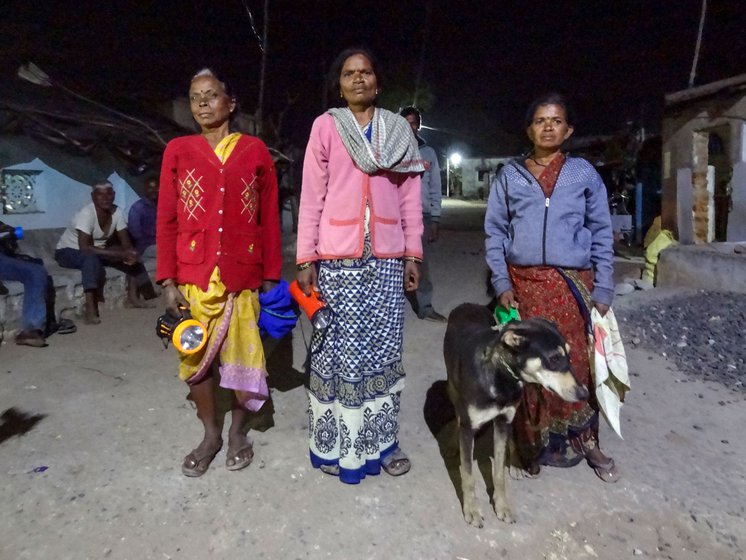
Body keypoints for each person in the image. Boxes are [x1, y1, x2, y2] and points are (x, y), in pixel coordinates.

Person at [296, 48, 425, 484]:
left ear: (378, 82)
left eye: (366, 72)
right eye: (349, 74)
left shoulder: (396, 131)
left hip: (387, 257)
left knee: (384, 349)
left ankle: (382, 443)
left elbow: (410, 196)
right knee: (340, 349)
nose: (357, 79)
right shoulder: (327, 126)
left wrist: (413, 252)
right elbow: (312, 194)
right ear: (340, 84)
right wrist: (306, 256)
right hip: (337, 256)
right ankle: (335, 444)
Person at [484, 93, 620, 483]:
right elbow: (494, 231)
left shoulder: (583, 174)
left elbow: (600, 231)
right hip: (523, 285)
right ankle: (532, 445)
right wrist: (501, 282)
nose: (548, 126)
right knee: (526, 367)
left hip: (570, 286)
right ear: (529, 129)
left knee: (574, 363)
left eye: (556, 120)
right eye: (540, 120)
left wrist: (605, 288)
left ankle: (586, 441)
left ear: (569, 129)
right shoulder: (510, 175)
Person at [156, 68, 282, 477]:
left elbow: (268, 218)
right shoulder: (178, 149)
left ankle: (238, 433)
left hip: (242, 272)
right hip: (194, 275)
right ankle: (211, 433)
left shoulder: (255, 151)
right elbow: (167, 218)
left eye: (211, 96)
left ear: (231, 103)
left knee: (245, 357)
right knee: (195, 358)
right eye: (195, 98)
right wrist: (168, 279)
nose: (203, 104)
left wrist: (271, 274)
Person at [54, 180, 156, 324]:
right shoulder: (86, 214)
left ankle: (133, 298)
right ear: (93, 196)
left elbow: (125, 242)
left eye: (108, 194)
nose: (105, 198)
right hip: (68, 251)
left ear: (114, 195)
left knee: (132, 253)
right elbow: (84, 247)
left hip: (96, 251)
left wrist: (129, 253)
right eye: (100, 195)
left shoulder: (117, 212)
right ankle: (90, 309)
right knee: (90, 260)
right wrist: (119, 254)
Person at [400, 106, 447, 322]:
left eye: (413, 122)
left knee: (421, 262)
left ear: (418, 125)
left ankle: (425, 306)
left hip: (421, 216)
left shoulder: (428, 153)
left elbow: (435, 187)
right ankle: (390, 307)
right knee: (389, 263)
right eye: (405, 122)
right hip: (394, 218)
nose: (409, 127)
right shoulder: (392, 150)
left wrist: (435, 218)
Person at [128, 175, 158, 257]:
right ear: (145, 189)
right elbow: (136, 234)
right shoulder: (137, 208)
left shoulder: (163, 206)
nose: (154, 191)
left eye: (156, 187)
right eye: (150, 188)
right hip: (146, 247)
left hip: (163, 243)